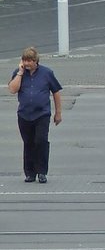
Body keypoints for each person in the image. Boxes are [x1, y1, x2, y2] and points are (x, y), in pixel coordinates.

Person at [8, 47, 62, 183]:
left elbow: (56, 92)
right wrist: (20, 73)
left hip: (42, 114)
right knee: (28, 143)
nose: (26, 63)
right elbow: (12, 89)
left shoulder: (47, 73)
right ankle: (30, 173)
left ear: (35, 61)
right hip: (24, 115)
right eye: (24, 60)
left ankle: (42, 172)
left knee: (41, 141)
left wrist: (58, 113)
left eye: (29, 61)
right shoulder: (19, 72)